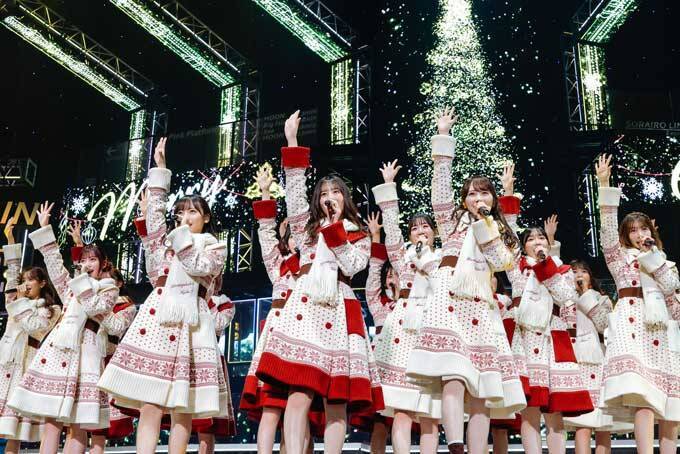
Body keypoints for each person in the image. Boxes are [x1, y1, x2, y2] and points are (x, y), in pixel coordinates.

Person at [255, 111, 383, 454]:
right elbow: (295, 198)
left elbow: (353, 265)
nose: (329, 196)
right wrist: (293, 143)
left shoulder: (358, 234)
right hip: (306, 308)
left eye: (336, 192)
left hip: (340, 308)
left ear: (345, 198)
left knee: (336, 397)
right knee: (298, 390)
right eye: (324, 193)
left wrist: (336, 229)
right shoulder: (306, 232)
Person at [405, 108, 526, 454]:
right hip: (449, 295)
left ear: (493, 199)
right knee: (453, 373)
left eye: (484, 193)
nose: (477, 199)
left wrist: (488, 226)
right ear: (463, 200)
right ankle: (456, 444)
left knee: (483, 387)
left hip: (481, 302)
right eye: (471, 194)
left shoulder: (501, 230)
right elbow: (440, 187)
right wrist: (443, 137)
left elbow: (502, 262)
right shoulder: (450, 221)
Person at [98, 138, 230, 454]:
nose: (185, 217)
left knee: (183, 407)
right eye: (181, 212)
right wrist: (159, 172)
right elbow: (155, 222)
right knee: (150, 402)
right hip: (158, 322)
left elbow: (198, 266)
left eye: (193, 212)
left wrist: (181, 238)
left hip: (192, 324)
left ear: (206, 218)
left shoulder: (215, 247)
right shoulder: (166, 245)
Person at [9, 203, 119, 454]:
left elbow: (95, 307)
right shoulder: (71, 286)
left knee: (78, 424)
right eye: (84, 260)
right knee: (51, 422)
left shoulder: (108, 288)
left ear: (102, 264)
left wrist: (81, 283)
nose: (87, 263)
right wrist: (45, 229)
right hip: (58, 350)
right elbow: (56, 266)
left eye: (93, 259)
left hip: (87, 353)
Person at [595, 154, 680, 454]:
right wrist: (604, 186)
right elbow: (607, 234)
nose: (640, 234)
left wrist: (653, 256)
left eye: (644, 229)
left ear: (652, 232)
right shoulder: (620, 259)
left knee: (670, 406)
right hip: (633, 329)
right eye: (633, 230)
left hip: (664, 333)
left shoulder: (665, 264)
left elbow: (670, 290)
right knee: (642, 397)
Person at [371, 160, 441, 454]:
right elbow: (392, 232)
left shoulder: (443, 258)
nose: (420, 231)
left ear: (435, 232)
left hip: (432, 322)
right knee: (401, 406)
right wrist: (389, 188)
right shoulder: (403, 257)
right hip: (402, 327)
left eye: (425, 226)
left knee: (430, 412)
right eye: (415, 228)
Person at [0, 219, 61, 454]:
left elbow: (34, 327)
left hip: (27, 367)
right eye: (23, 281)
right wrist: (10, 240)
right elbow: (11, 276)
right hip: (5, 362)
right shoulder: (16, 300)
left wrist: (22, 302)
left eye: (30, 280)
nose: (25, 285)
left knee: (14, 431)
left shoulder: (51, 309)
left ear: (42, 283)